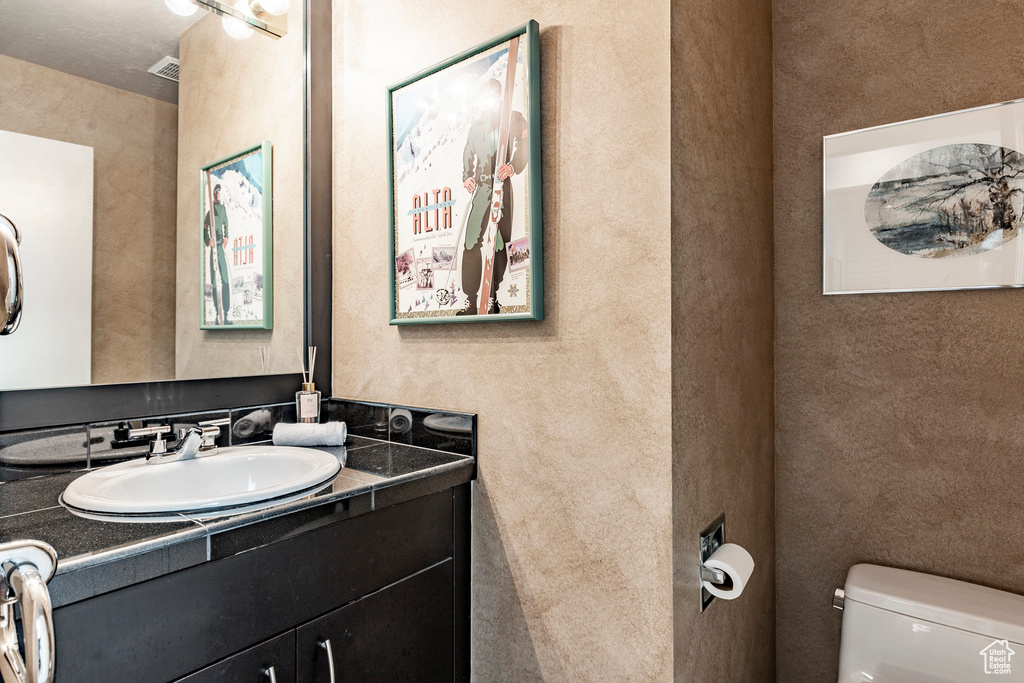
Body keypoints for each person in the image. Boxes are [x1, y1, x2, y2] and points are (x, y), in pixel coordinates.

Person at [458, 78, 528, 315]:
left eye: (493, 94)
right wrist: (468, 176)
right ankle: (470, 299)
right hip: (483, 189)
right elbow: (469, 152)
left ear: (499, 96)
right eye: (485, 95)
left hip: (502, 187)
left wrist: (512, 166)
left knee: (500, 242)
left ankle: (493, 296)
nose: (489, 99)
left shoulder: (513, 118)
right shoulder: (476, 127)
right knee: (471, 241)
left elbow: (525, 142)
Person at [204, 184, 231, 324]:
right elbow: (205, 229)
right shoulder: (209, 213)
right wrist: (208, 241)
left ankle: (226, 313)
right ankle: (216, 314)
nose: (217, 194)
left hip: (220, 248)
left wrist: (226, 237)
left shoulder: (222, 209)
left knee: (225, 278)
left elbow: (226, 223)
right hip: (213, 249)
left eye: (219, 192)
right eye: (215, 192)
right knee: (214, 281)